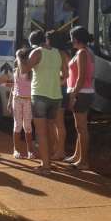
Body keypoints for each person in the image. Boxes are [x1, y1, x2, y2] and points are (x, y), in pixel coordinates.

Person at [20, 30, 67, 175]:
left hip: (40, 95)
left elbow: (24, 69)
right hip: (56, 97)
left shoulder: (37, 52)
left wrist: (19, 56)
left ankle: (45, 166)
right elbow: (65, 75)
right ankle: (49, 161)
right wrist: (53, 82)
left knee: (41, 133)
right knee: (50, 129)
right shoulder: (60, 54)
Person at [65, 26, 95, 170]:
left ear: (75, 39)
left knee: (81, 128)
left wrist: (73, 95)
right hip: (84, 92)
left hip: (81, 93)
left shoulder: (82, 53)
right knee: (80, 127)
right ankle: (77, 156)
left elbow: (81, 77)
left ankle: (83, 161)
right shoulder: (85, 52)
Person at [47, 31, 70, 161]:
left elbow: (66, 75)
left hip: (60, 90)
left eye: (47, 39)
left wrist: (56, 84)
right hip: (61, 89)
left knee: (58, 123)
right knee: (57, 122)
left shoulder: (59, 54)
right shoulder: (64, 53)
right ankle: (58, 149)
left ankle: (60, 151)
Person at [9, 48, 34, 159]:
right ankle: (16, 150)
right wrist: (10, 101)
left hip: (28, 100)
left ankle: (30, 151)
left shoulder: (31, 71)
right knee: (17, 125)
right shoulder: (16, 71)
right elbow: (13, 87)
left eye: (18, 57)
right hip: (17, 99)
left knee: (27, 126)